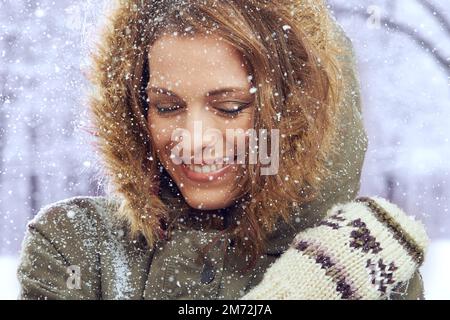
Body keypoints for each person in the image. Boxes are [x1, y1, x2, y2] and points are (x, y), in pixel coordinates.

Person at [17, 0, 427, 300]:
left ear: (295, 116)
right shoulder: (77, 246)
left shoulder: (364, 265)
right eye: (167, 106)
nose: (193, 139)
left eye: (230, 108)